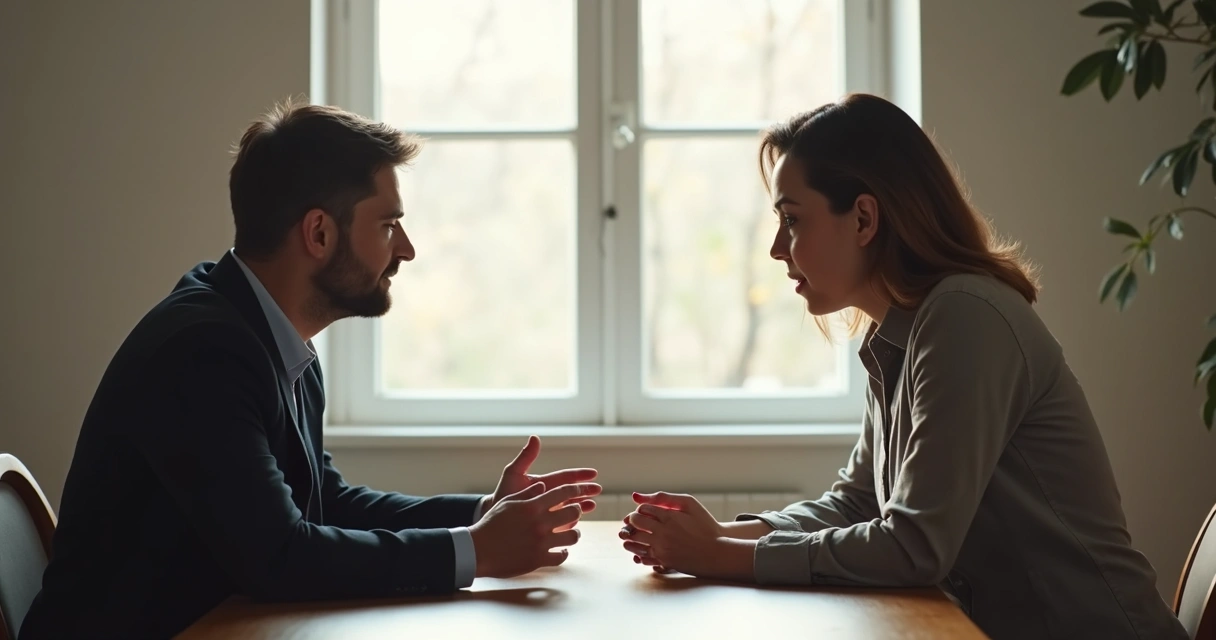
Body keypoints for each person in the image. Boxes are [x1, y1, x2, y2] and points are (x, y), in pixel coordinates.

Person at [19, 102, 601, 640]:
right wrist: (475, 551)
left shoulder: (260, 331)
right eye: (388, 224)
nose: (407, 249)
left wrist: (479, 516)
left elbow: (323, 500)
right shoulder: (203, 353)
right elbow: (281, 556)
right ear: (319, 232)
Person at [618, 93, 1187, 640]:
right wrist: (722, 534)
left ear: (864, 219)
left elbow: (914, 546)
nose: (776, 248)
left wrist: (718, 555)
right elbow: (859, 502)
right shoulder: (904, 331)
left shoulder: (965, 317)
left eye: (792, 220)